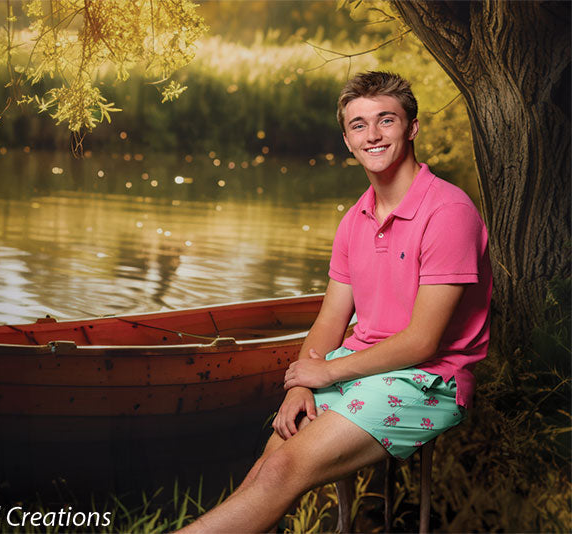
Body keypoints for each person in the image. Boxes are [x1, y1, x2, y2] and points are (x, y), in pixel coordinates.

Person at [176, 71, 492, 533]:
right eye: (359, 125)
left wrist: (324, 372)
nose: (374, 135)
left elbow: (423, 341)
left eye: (387, 120)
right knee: (269, 468)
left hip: (427, 380)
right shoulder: (354, 220)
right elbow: (330, 320)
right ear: (347, 139)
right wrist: (302, 383)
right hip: (355, 366)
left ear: (412, 127)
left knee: (284, 470)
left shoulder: (449, 213)